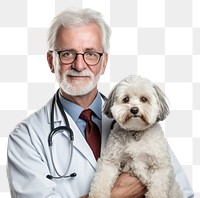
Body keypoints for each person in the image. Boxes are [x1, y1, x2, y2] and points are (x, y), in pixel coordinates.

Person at [7, 8, 193, 198]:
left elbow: (183, 193)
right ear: (51, 61)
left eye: (91, 54)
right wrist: (118, 194)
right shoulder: (26, 137)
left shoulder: (146, 127)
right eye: (67, 54)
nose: (79, 66)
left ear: (104, 62)